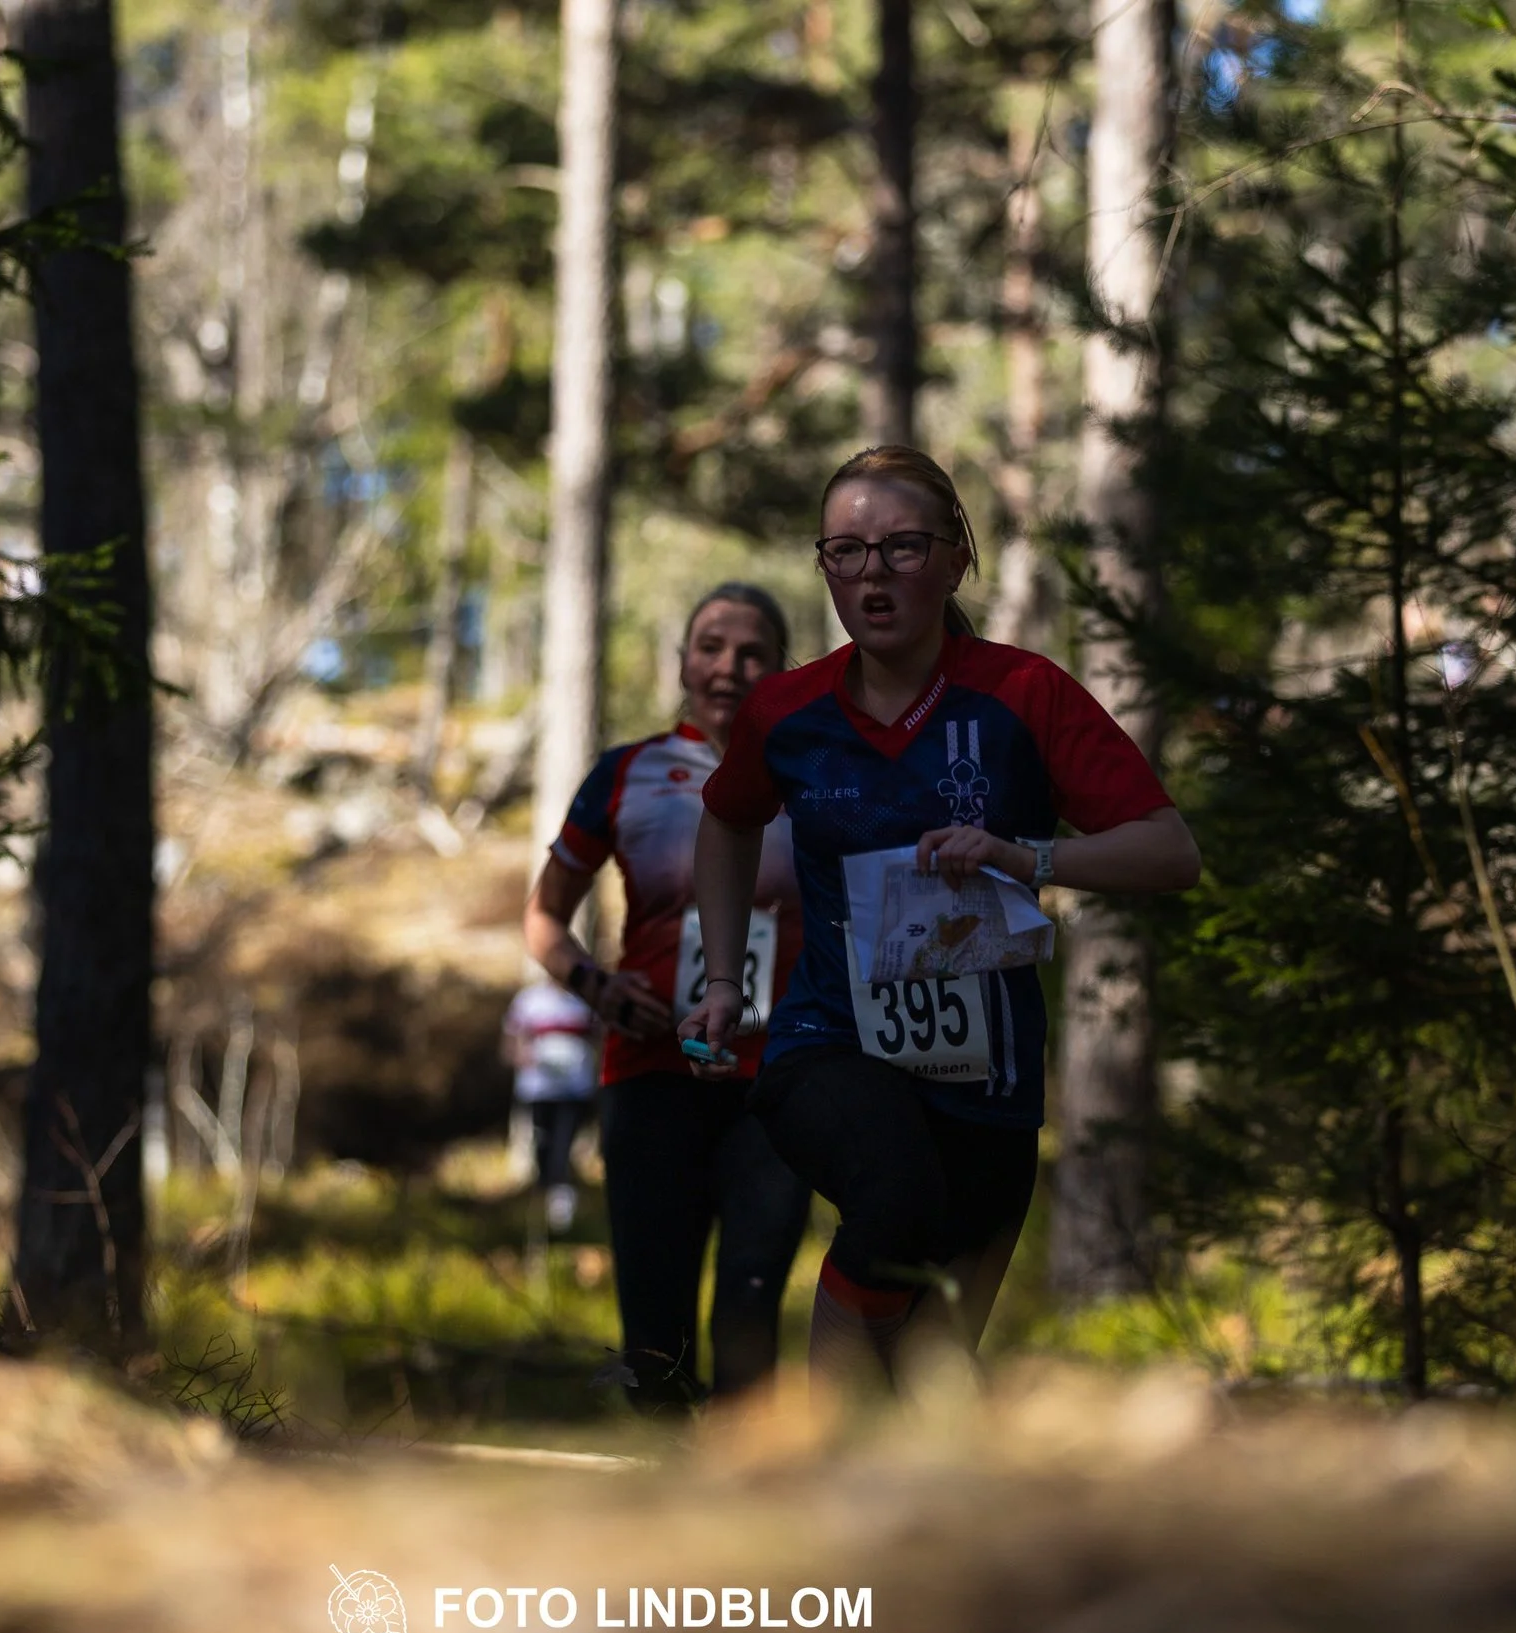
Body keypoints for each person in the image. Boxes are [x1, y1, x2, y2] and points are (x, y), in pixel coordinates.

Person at [680, 446, 1202, 1387]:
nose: (872, 576)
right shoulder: (790, 712)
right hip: (829, 1039)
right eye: (845, 552)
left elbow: (1169, 850)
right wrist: (724, 982)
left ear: (957, 558)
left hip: (987, 1070)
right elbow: (726, 818)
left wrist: (1027, 856)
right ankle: (818, 1442)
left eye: (902, 548)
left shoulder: (1023, 694)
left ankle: (890, 1489)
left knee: (934, 1359)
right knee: (893, 1194)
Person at [524, 582, 811, 1409]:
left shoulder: (814, 775)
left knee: (751, 1319)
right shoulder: (624, 773)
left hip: (775, 1083)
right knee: (655, 1343)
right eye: (711, 646)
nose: (729, 666)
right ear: (683, 661)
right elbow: (544, 917)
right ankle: (664, 1499)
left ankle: (743, 1512)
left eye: (752, 651)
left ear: (779, 667)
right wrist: (595, 986)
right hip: (650, 1076)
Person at [500, 979, 600, 1232]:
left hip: (574, 1090)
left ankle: (562, 1213)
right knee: (541, 1145)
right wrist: (521, 1055)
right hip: (538, 1090)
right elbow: (510, 1042)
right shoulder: (529, 999)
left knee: (563, 1146)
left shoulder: (584, 1001)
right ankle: (545, 1201)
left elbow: (600, 1038)